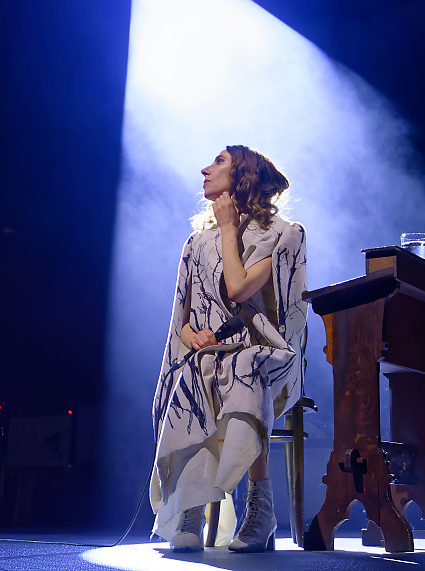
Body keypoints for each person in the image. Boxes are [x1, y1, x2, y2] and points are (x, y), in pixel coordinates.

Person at [150, 145, 307, 553]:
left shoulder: (282, 235)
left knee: (243, 366)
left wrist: (227, 229)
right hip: (209, 355)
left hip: (265, 353)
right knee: (197, 369)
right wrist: (195, 337)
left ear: (245, 177)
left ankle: (261, 507)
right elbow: (181, 323)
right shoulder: (194, 243)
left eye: (219, 162)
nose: (205, 168)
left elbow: (238, 289)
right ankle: (188, 503)